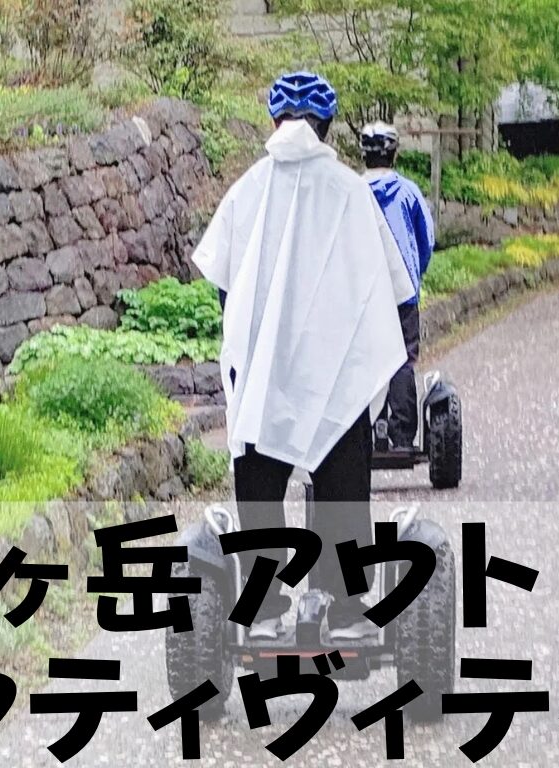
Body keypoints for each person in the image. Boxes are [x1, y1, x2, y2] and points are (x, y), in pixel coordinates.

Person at [192, 72, 416, 641]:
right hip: (336, 373)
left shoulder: (246, 191)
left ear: (274, 121)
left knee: (258, 482)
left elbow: (225, 287)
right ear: (328, 126)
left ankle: (263, 611)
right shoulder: (351, 192)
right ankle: (345, 611)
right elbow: (388, 287)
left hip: (264, 373)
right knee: (343, 484)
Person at [360, 122, 435, 451]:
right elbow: (426, 239)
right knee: (402, 358)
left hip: (362, 292)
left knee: (363, 358)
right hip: (402, 291)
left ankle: (368, 430)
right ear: (394, 153)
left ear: (363, 154)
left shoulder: (352, 191)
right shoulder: (408, 192)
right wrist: (416, 274)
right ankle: (402, 435)